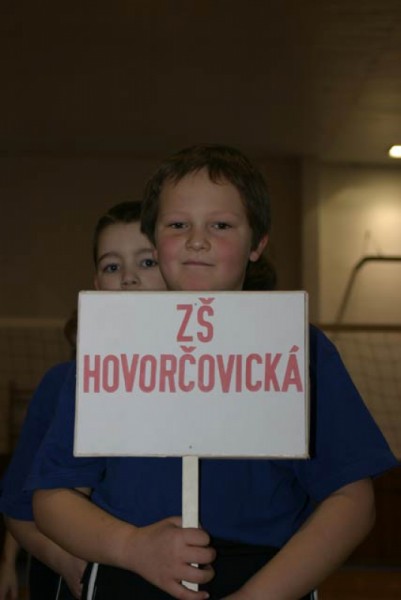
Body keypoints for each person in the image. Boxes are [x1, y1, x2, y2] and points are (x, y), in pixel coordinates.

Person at [29, 145, 398, 600]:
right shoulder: (107, 348)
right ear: (154, 240)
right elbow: (52, 499)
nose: (196, 240)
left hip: (269, 577)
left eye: (220, 225)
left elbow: (352, 502)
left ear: (257, 244)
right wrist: (131, 546)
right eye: (177, 225)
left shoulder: (300, 347)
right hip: (127, 573)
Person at [0, 200, 166, 600]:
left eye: (147, 262)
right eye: (112, 267)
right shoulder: (62, 383)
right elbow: (18, 509)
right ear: (96, 284)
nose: (128, 278)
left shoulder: (211, 381)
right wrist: (71, 564)